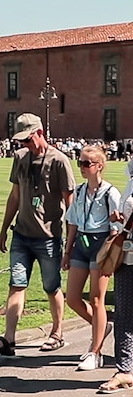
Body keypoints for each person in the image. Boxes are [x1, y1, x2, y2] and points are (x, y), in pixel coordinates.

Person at [0, 113, 76, 355]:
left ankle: (57, 332)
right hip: (21, 235)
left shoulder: (59, 161)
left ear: (40, 133)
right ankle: (9, 338)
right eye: (21, 141)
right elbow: (15, 196)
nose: (25, 145)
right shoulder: (20, 157)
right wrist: (3, 230)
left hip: (49, 238)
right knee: (16, 285)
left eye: (28, 139)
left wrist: (71, 245)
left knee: (51, 288)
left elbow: (70, 204)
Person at [63, 146, 121, 370]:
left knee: (97, 299)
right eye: (80, 163)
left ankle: (95, 352)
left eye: (87, 164)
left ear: (99, 166)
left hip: (101, 244)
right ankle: (102, 327)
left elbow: (117, 227)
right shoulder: (78, 191)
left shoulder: (110, 193)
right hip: (81, 244)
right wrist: (67, 252)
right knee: (73, 298)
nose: (82, 168)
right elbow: (72, 222)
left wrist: (112, 256)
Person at [98, 160, 133, 393]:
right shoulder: (131, 174)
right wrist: (120, 220)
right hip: (127, 255)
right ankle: (124, 370)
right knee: (124, 314)